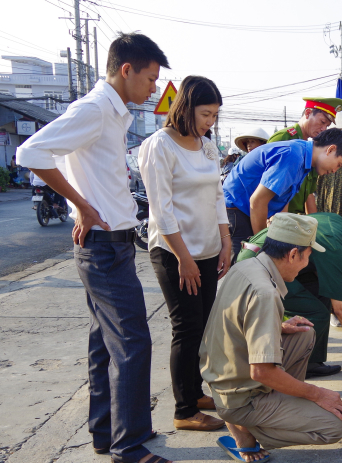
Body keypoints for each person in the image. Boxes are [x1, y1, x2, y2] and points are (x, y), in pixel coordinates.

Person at [16, 33, 172, 463]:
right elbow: (31, 152)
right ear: (127, 70)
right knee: (133, 342)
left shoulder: (113, 112)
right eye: (150, 78)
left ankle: (106, 433)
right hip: (103, 248)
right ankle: (130, 445)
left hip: (114, 245)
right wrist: (81, 205)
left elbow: (76, 164)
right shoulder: (94, 109)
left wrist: (83, 201)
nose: (153, 88)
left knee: (105, 344)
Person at [200, 213, 342, 463]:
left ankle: (267, 411)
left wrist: (278, 326)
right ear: (293, 254)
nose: (306, 263)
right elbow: (262, 372)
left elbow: (235, 322)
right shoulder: (264, 293)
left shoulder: (247, 266)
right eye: (308, 256)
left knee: (305, 334)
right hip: (238, 396)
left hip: (222, 374)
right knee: (334, 425)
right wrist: (316, 394)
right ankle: (245, 431)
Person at [138, 75, 230, 432]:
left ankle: (195, 391)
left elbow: (217, 195)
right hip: (175, 252)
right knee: (186, 327)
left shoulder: (207, 146)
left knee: (204, 325)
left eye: (215, 116)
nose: (210, 122)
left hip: (208, 248)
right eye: (206, 113)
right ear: (185, 107)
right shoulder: (159, 145)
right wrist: (184, 258)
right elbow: (161, 210)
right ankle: (184, 410)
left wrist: (225, 241)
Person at [235, 211, 342, 379]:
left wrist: (341, 290)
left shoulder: (337, 222)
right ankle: (287, 364)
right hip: (259, 263)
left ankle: (311, 362)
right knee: (315, 312)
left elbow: (323, 266)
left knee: (325, 295)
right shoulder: (336, 246)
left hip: (265, 255)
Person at [222, 128, 342, 263]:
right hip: (237, 213)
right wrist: (263, 244)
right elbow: (257, 201)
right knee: (244, 269)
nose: (334, 171)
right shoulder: (294, 155)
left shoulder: (303, 156)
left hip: (246, 213)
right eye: (339, 165)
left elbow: (282, 201)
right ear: (330, 150)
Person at [268, 97, 342, 215]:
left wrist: (314, 222)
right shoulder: (284, 139)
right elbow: (268, 189)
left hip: (295, 218)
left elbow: (309, 194)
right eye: (322, 122)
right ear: (308, 113)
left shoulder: (313, 150)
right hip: (277, 217)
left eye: (327, 125)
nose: (323, 129)